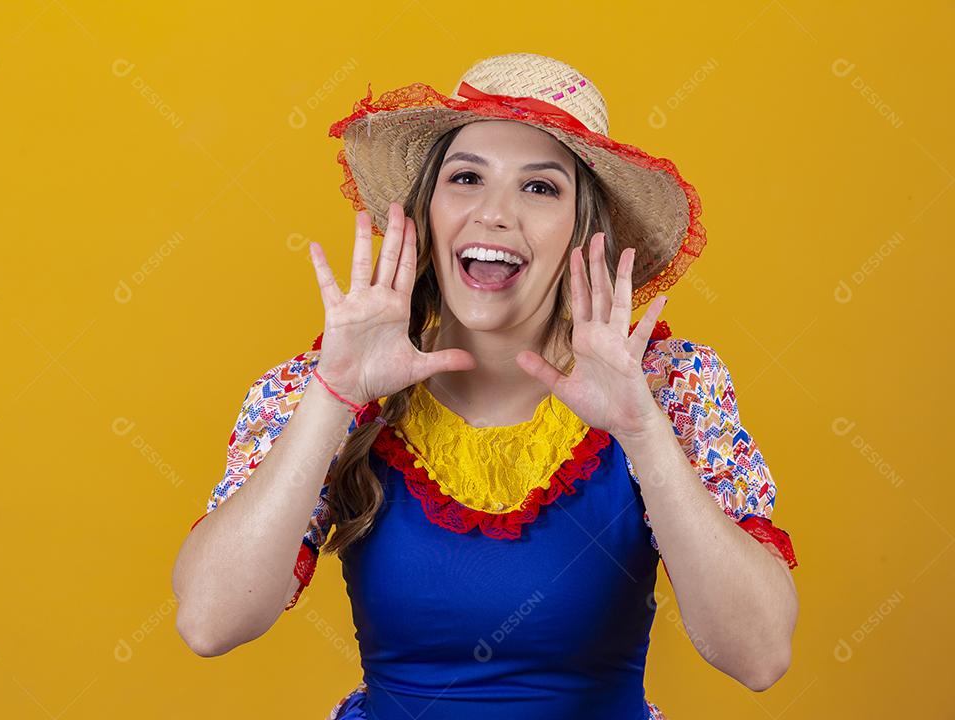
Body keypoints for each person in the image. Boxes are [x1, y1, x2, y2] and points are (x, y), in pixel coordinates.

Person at [172, 52, 799, 720]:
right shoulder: (328, 387)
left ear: (583, 230)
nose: (495, 214)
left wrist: (642, 432)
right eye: (466, 177)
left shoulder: (669, 387)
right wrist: (336, 396)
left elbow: (757, 655)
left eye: (539, 188)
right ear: (426, 214)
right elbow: (210, 621)